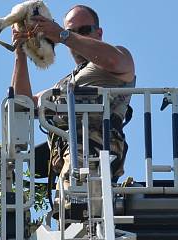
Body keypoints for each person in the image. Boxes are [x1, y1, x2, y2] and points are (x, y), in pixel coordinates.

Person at [11, 4, 136, 185]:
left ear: (99, 33)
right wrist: (20, 53)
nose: (76, 35)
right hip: (66, 160)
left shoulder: (118, 56)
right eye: (72, 30)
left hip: (94, 152)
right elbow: (24, 104)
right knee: (71, 208)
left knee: (82, 206)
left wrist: (63, 35)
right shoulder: (65, 83)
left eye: (84, 30)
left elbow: (114, 61)